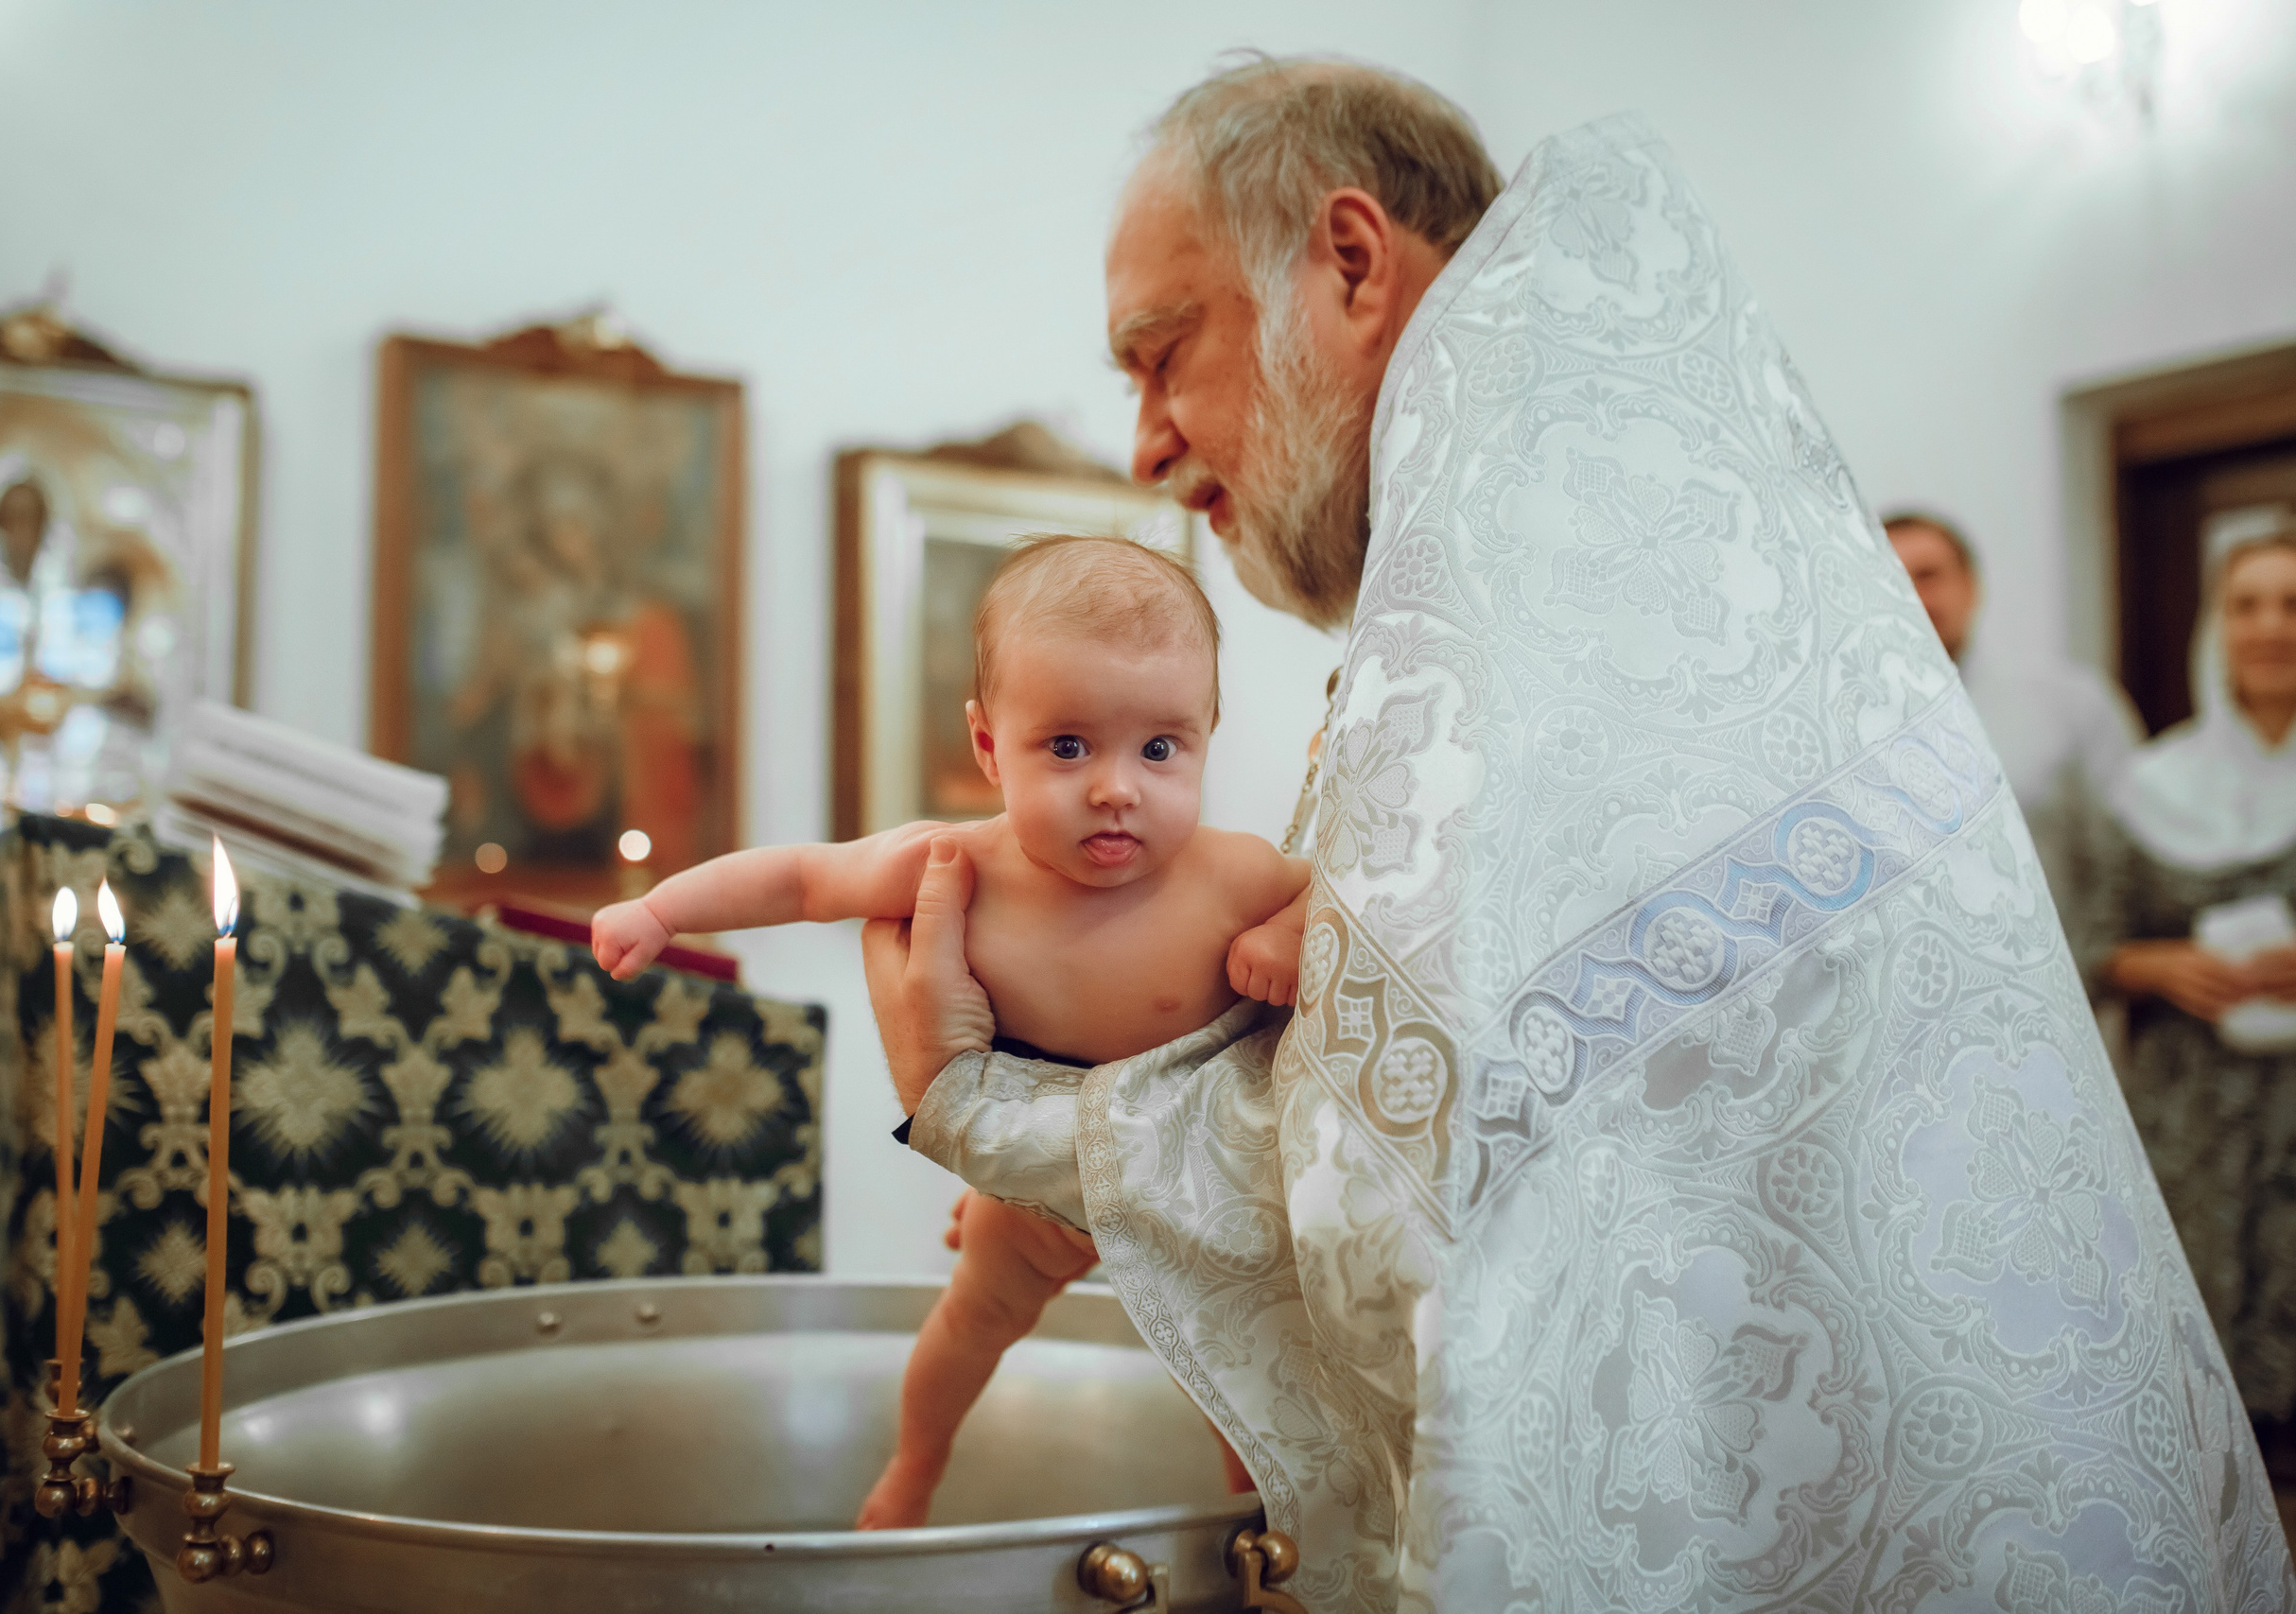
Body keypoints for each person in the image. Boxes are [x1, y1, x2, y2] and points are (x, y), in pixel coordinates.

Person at [860, 58, 2293, 1608]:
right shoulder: (1606, 525)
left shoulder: (1542, 594)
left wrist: (996, 1111)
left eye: (1164, 354)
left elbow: (1412, 1187)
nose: (1146, 440)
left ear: (1350, 263)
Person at [590, 535, 1306, 1527]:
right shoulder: (961, 864)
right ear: (986, 744)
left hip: (1191, 1188)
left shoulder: (1234, 875)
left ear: (1206, 736)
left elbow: (1344, 903)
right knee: (971, 1323)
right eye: (1067, 746)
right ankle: (913, 1469)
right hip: (1032, 1187)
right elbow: (802, 877)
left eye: (1158, 749)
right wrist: (661, 910)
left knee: (1226, 1354)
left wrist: (1285, 933)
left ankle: (1254, 1517)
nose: (1116, 788)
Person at [2079, 518, 2296, 1481]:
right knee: (2205, 1388)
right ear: (2216, 627)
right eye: (2246, 605)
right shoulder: (2150, 785)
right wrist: (2157, 965)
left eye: (2291, 604)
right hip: (2191, 1118)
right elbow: (2086, 944)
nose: (2270, 626)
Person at [1886, 510, 2142, 948]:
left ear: (1971, 587)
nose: (1912, 595)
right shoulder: (1837, 735)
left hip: (2065, 974)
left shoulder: (2069, 703)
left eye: (1928, 576)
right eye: (1891, 578)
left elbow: (2128, 855)